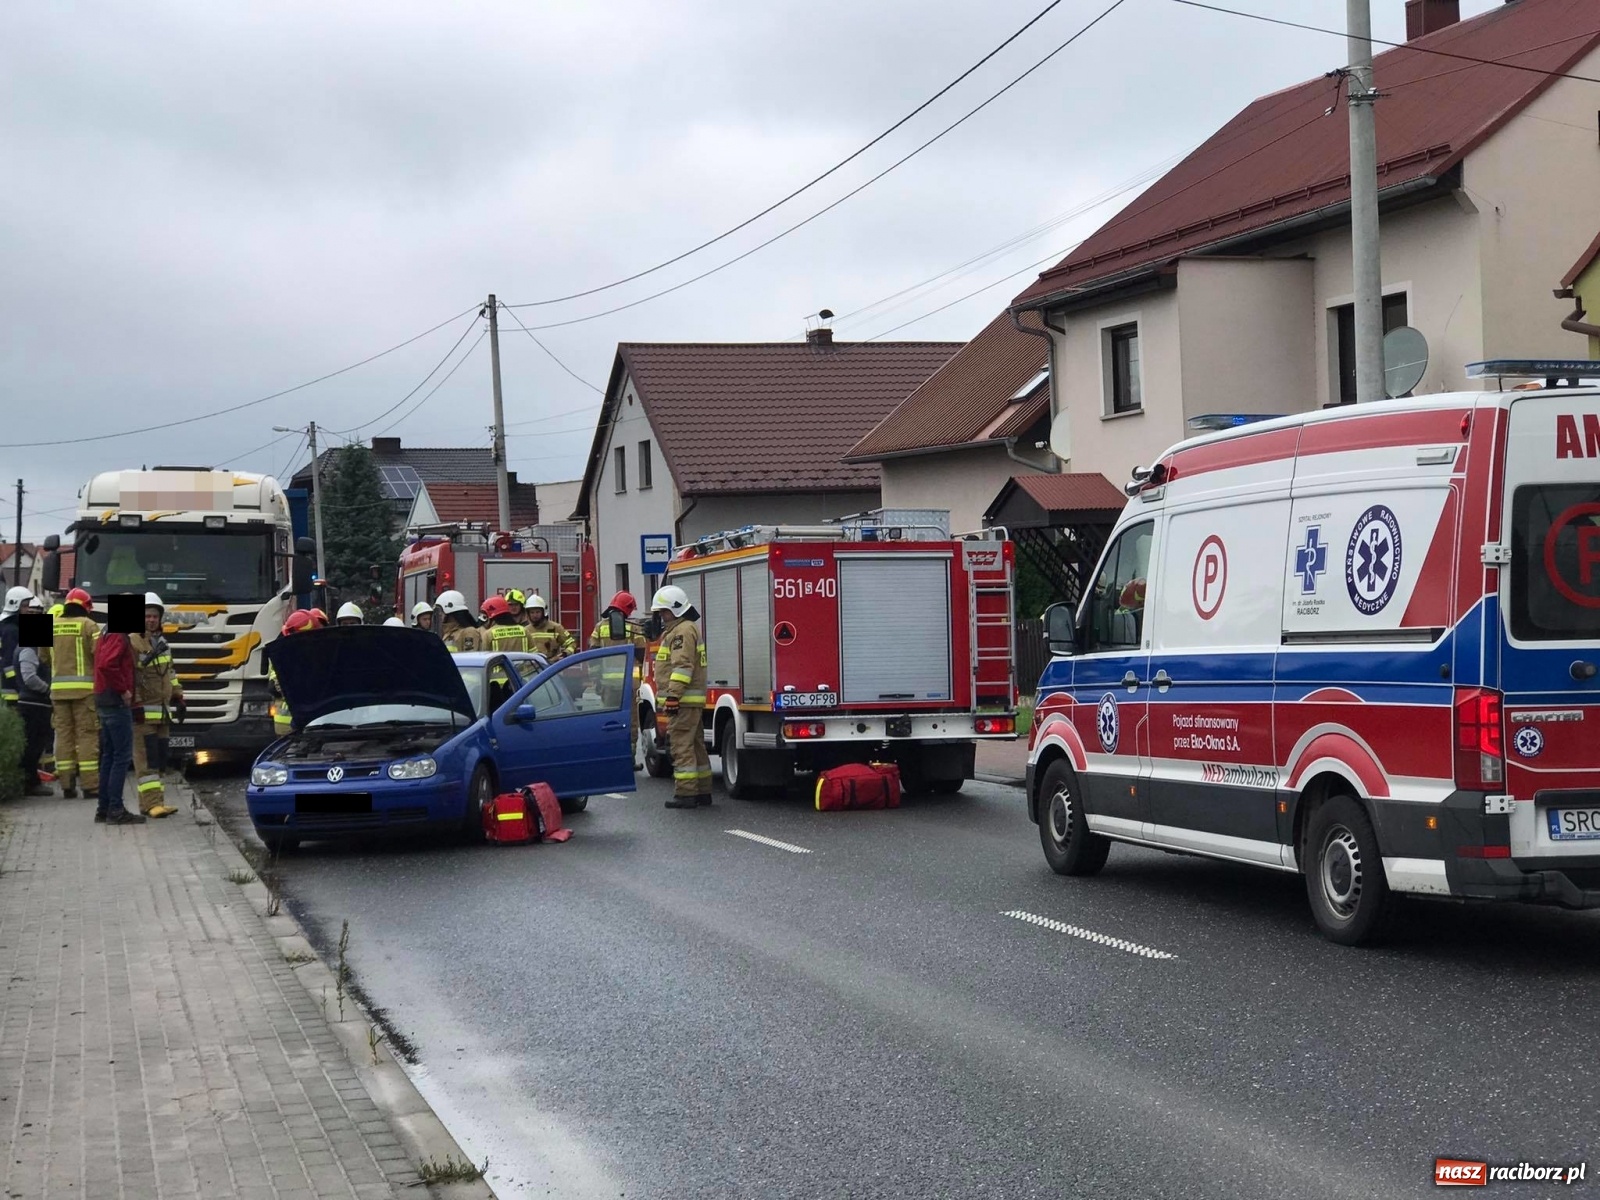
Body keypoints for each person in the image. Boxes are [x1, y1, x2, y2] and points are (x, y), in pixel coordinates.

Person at [650, 585, 710, 808]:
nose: (662, 616)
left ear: (675, 610)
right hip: (689, 701)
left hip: (683, 701)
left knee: (681, 746)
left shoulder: (681, 632)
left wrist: (673, 696)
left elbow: (682, 666)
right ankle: (703, 791)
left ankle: (686, 794)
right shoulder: (685, 628)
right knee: (695, 746)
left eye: (664, 612)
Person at [129, 593, 182, 818]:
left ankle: (156, 802)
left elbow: (170, 673)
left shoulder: (162, 643)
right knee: (146, 761)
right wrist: (135, 703)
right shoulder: (132, 641)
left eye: (154, 616)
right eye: (146, 616)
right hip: (143, 714)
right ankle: (151, 805)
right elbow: (130, 676)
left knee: (159, 759)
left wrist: (179, 696)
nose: (151, 620)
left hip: (162, 713)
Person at [45, 587, 100, 800]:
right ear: (86, 607)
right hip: (84, 693)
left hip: (57, 693)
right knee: (86, 737)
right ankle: (90, 786)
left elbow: (42, 657)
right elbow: (100, 656)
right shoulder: (89, 625)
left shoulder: (49, 624)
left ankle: (67, 786)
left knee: (63, 737)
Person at [589, 590, 648, 769]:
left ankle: (610, 758)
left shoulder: (599, 628)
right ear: (627, 609)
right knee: (630, 722)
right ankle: (628, 760)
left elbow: (593, 656)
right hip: (629, 685)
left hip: (607, 686)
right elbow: (642, 653)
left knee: (609, 722)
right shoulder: (634, 628)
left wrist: (596, 680)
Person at [92, 621, 144, 824]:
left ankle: (104, 809)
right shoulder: (118, 634)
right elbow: (107, 665)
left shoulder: (106, 631)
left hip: (103, 698)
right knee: (120, 757)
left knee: (109, 756)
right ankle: (115, 810)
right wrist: (123, 690)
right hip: (115, 701)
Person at [15, 595, 54, 796]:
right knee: (33, 745)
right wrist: (48, 690)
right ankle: (30, 783)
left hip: (35, 703)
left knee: (35, 745)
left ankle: (31, 781)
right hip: (33, 704)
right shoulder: (29, 647)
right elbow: (29, 677)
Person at [270, 609, 317, 736]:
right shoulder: (283, 654)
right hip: (288, 726)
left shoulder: (317, 655)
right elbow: (274, 683)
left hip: (312, 724)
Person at [1, 584, 31, 707]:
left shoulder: (10, 626)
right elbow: (9, 662)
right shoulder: (11, 630)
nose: (28, 610)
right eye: (25, 606)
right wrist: (19, 684)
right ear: (15, 605)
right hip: (12, 691)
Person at [522, 593, 576, 661]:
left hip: (553, 666)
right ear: (528, 614)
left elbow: (572, 644)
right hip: (532, 666)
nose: (535, 615)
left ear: (543, 612)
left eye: (537, 612)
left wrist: (564, 654)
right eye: (532, 612)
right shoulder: (525, 630)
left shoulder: (556, 628)